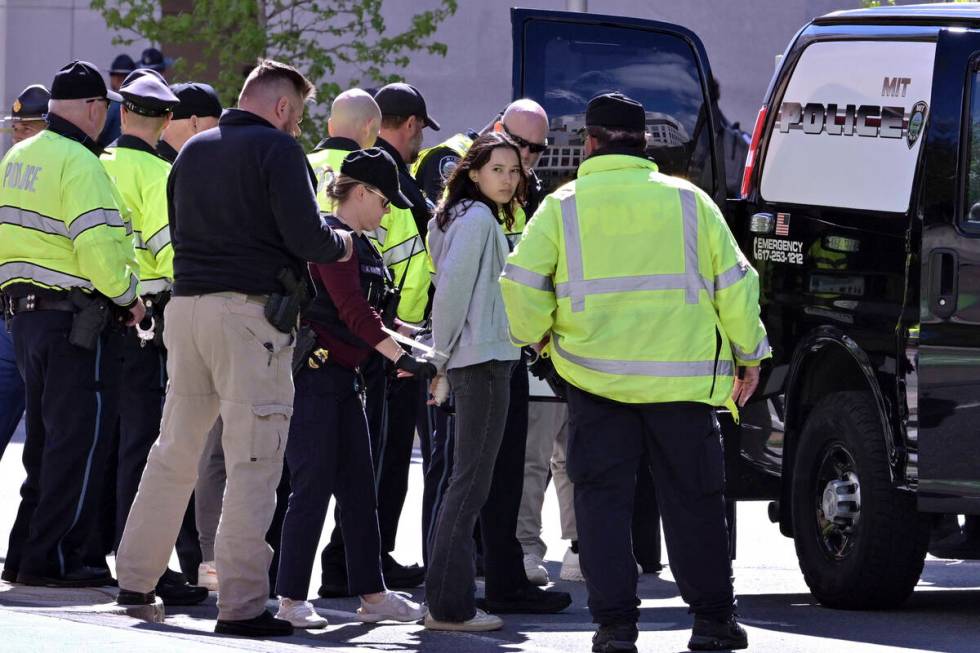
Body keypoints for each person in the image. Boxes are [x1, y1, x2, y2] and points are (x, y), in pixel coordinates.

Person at [500, 92, 770, 652]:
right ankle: (714, 622)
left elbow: (520, 283)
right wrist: (750, 355)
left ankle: (616, 627)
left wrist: (540, 339)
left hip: (595, 383)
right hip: (683, 386)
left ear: (590, 143)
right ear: (644, 145)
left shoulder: (562, 205)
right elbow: (737, 287)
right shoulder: (691, 203)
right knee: (693, 502)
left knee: (601, 505)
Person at [113, 59, 353, 639]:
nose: (296, 128)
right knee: (254, 460)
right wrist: (343, 243)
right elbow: (306, 238)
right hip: (250, 319)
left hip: (186, 311)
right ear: (279, 108)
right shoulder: (277, 152)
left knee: (175, 451)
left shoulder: (192, 152)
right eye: (295, 116)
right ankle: (243, 605)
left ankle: (135, 579)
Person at [0, 60, 144, 587]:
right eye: (102, 107)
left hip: (23, 319)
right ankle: (59, 558)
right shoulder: (81, 163)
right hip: (72, 323)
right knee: (75, 443)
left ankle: (24, 553)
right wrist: (130, 297)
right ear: (90, 108)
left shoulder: (17, 156)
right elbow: (97, 248)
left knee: (43, 443)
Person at [276, 148, 430, 628]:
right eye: (385, 202)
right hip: (316, 380)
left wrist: (418, 347)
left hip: (344, 381)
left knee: (361, 490)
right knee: (312, 488)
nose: (387, 214)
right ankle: (290, 598)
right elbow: (353, 314)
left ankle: (372, 593)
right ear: (360, 192)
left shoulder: (362, 244)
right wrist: (401, 357)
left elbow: (377, 318)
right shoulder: (333, 242)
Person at [421, 132, 561, 632]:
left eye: (513, 170)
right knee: (469, 486)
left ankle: (443, 600)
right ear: (473, 172)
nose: (508, 178)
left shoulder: (469, 217)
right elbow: (452, 294)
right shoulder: (478, 220)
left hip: (486, 358)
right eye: (497, 168)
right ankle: (448, 606)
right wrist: (439, 362)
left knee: (466, 485)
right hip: (480, 363)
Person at [318, 82, 435, 597]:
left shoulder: (302, 165)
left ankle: (288, 573)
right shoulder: (389, 185)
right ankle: (360, 567)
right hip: (373, 348)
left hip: (308, 347)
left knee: (298, 478)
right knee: (372, 468)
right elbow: (410, 268)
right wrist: (401, 343)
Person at [98, 73, 206, 605]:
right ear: (167, 120)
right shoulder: (161, 172)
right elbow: (173, 254)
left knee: (110, 440)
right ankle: (147, 564)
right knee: (149, 446)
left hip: (101, 313)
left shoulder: (97, 163)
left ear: (122, 113)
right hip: (151, 319)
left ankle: (105, 548)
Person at [0, 84, 50, 461]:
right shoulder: (8, 171)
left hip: (41, 317)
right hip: (9, 319)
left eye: (26, 128)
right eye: (15, 128)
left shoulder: (58, 172)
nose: (17, 136)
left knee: (46, 440)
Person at [157, 82, 222, 162]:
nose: (219, 135)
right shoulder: (185, 170)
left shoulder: (149, 158)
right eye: (215, 128)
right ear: (194, 123)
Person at [97, 54, 135, 147]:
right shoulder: (141, 105)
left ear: (117, 79)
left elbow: (96, 134)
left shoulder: (112, 105)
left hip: (107, 158)